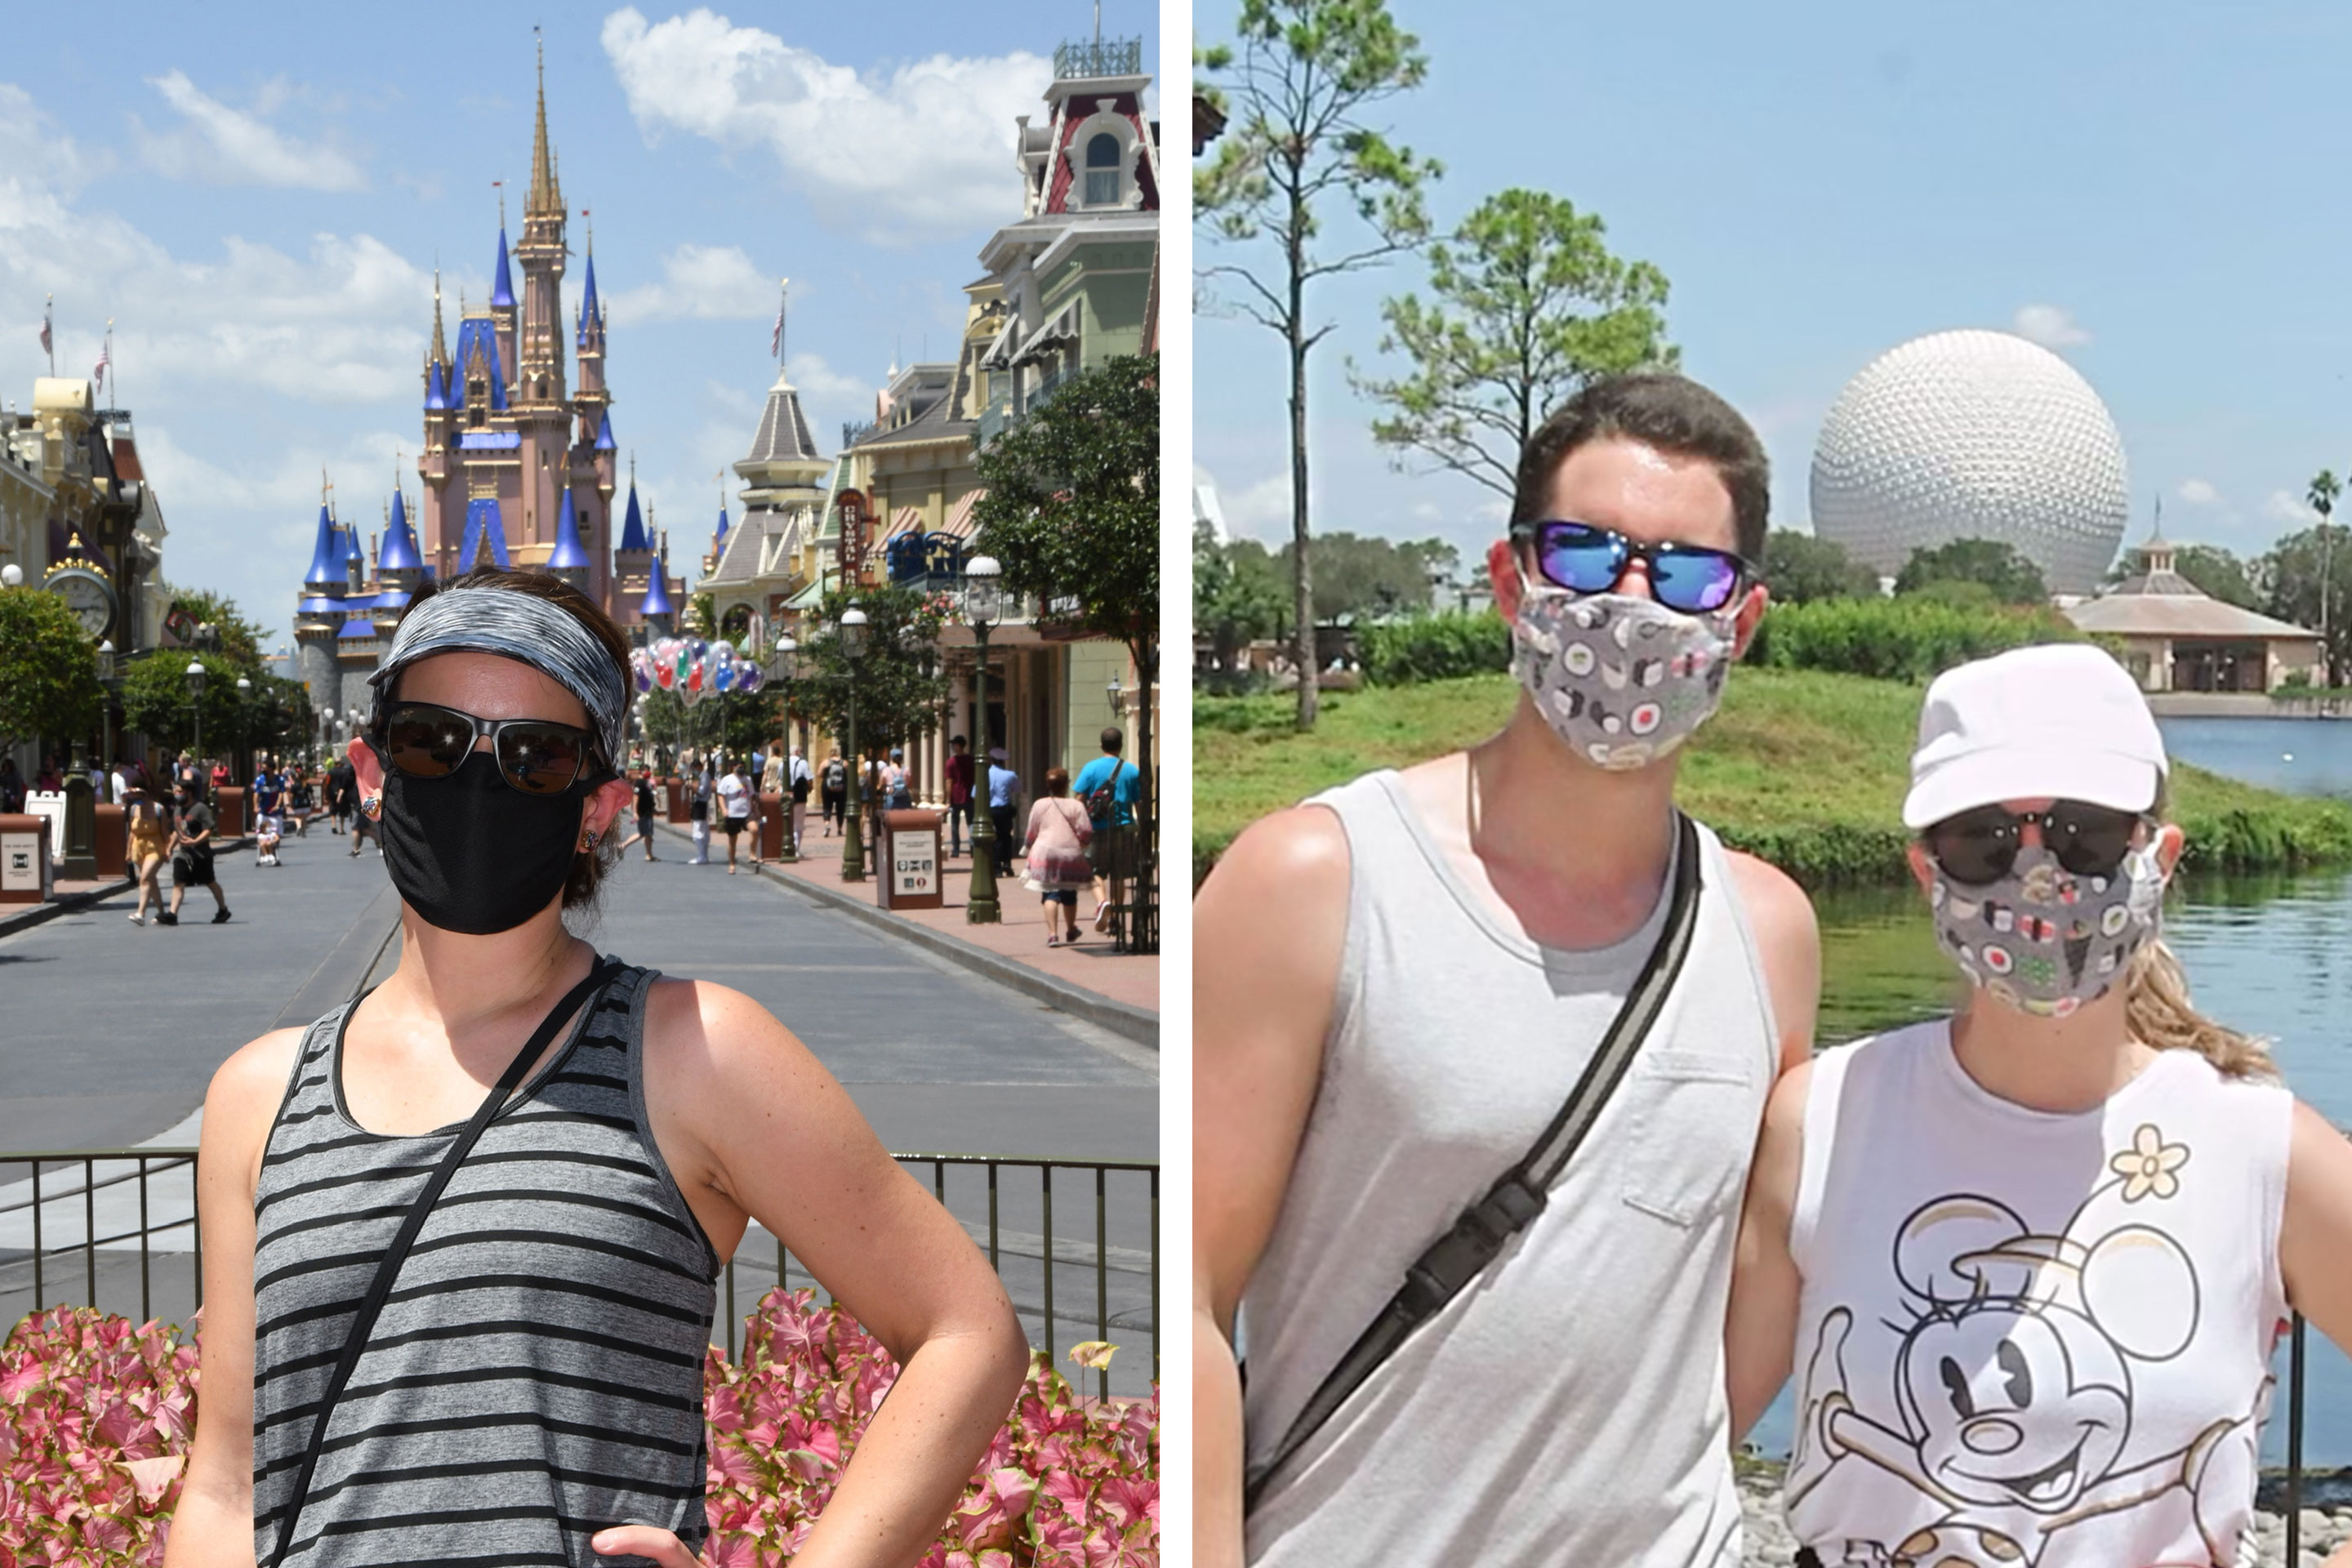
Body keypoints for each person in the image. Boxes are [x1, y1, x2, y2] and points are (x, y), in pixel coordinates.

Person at [162, 566, 1027, 1568]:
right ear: (369, 770)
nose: (477, 784)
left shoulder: (691, 1052)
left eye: (534, 758)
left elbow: (968, 1333)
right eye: (430, 742)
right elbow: (226, 1485)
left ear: (597, 806)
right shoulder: (261, 1096)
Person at [1193, 373, 1820, 1566]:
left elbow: (1745, 1277)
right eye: (1587, 557)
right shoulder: (1315, 882)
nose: (1632, 606)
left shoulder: (1769, 933)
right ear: (1511, 581)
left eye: (1684, 575)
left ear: (1739, 624)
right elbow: (1192, 1284)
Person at [1724, 644, 2352, 1568]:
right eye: (1984, 841)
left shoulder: (2262, 1149)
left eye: (2083, 835)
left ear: (2158, 857)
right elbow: (1690, 1441)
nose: (2040, 878)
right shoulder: (1820, 1121)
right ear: (1925, 870)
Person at [1074, 726, 1139, 935]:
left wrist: (1079, 827)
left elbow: (1079, 800)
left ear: (1102, 745)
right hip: (1123, 827)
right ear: (1121, 745)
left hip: (1097, 827)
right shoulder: (1131, 771)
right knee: (1119, 874)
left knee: (1095, 871)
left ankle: (1102, 902)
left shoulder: (1090, 768)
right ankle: (1117, 918)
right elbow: (1139, 803)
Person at [1022, 766, 1094, 947]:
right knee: (1070, 893)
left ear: (1048, 785)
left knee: (1050, 893)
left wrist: (1027, 846)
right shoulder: (1076, 805)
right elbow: (1085, 830)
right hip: (1070, 854)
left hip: (1045, 852)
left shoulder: (1040, 804)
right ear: (1066, 785)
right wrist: (1084, 843)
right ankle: (1071, 929)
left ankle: (1052, 934)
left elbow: (1032, 829)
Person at [162, 781, 230, 926]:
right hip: (183, 854)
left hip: (201, 854)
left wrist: (195, 841)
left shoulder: (200, 808)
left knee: (210, 882)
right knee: (178, 883)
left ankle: (223, 910)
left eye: (180, 791)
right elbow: (177, 831)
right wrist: (169, 849)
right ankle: (173, 914)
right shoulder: (178, 809)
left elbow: (208, 829)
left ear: (189, 792)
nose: (177, 794)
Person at [125, 784, 169, 925]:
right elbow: (132, 831)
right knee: (151, 881)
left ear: (146, 793)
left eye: (139, 794)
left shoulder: (158, 809)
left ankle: (140, 913)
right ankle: (162, 913)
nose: (136, 798)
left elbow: (165, 832)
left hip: (155, 847)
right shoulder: (133, 809)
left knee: (145, 878)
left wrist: (168, 850)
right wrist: (128, 851)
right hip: (138, 848)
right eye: (134, 795)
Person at [716, 755, 753, 874]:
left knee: (755, 829)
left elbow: (752, 794)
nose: (741, 769)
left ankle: (752, 854)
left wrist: (753, 808)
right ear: (733, 767)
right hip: (732, 814)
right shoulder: (727, 779)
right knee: (733, 840)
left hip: (746, 812)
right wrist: (724, 809)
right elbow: (721, 795)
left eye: (743, 767)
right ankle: (732, 864)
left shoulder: (748, 779)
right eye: (739, 767)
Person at [987, 746, 1020, 870]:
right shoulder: (1010, 775)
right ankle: (1007, 863)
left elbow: (975, 794)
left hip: (990, 810)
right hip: (1005, 810)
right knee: (1006, 836)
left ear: (991, 760)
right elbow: (1017, 789)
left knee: (993, 838)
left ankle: (996, 866)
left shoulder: (985, 774)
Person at [617, 766, 660, 862]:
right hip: (643, 812)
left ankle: (649, 855)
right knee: (643, 833)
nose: (648, 772)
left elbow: (649, 797)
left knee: (648, 834)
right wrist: (635, 812)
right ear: (641, 771)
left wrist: (654, 809)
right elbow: (636, 798)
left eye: (649, 770)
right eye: (646, 770)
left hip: (648, 811)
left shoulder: (646, 782)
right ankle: (623, 845)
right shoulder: (639, 782)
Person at [945, 734, 974, 858]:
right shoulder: (971, 760)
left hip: (957, 797)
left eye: (954, 744)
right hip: (969, 796)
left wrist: (947, 799)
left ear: (959, 746)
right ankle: (973, 848)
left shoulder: (951, 762)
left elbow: (949, 782)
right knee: (971, 823)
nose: (952, 747)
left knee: (955, 824)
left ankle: (956, 849)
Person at [252, 759, 284, 867]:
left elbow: (281, 793)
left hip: (275, 813)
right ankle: (264, 854)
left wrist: (277, 805)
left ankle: (273, 853)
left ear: (270, 768)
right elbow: (256, 794)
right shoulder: (260, 780)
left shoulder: (279, 779)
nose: (262, 769)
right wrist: (255, 806)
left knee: (275, 835)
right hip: (263, 812)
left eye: (264, 767)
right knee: (261, 834)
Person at [688, 759, 713, 865]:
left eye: (694, 769)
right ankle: (704, 855)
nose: (694, 771)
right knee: (703, 830)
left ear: (698, 766)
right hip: (702, 804)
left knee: (698, 831)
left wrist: (692, 787)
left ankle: (702, 856)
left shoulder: (704, 776)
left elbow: (701, 792)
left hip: (701, 804)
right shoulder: (703, 776)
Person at [788, 745, 813, 853]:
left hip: (786, 796)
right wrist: (810, 789)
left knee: (788, 823)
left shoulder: (783, 763)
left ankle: (788, 846)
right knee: (798, 824)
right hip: (799, 796)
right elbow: (809, 779)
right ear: (797, 752)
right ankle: (796, 850)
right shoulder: (803, 763)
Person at [327, 754, 356, 835]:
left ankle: (333, 826)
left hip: (332, 793)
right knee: (342, 812)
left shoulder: (330, 772)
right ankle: (341, 829)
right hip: (342, 794)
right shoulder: (345, 772)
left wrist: (326, 793)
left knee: (333, 811)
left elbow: (327, 782)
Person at [821, 751, 848, 836]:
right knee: (840, 809)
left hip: (828, 788)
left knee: (827, 807)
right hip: (841, 789)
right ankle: (839, 829)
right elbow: (849, 774)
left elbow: (819, 774)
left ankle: (827, 824)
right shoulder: (845, 763)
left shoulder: (825, 762)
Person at [885, 746, 913, 810]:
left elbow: (882, 784)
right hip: (905, 798)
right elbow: (910, 785)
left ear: (891, 758)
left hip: (891, 798)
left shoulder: (887, 770)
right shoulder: (907, 770)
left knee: (890, 818)